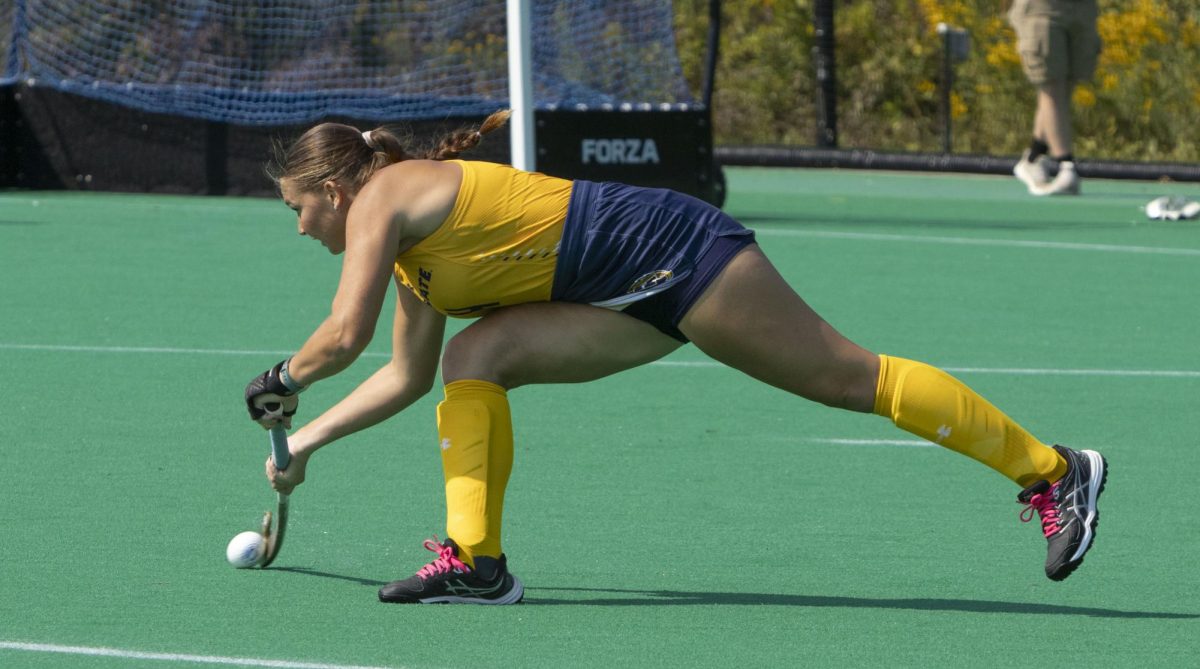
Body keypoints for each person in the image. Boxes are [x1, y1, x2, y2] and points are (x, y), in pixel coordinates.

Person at [244, 110, 1108, 605]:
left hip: (675, 251)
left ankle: (1053, 469)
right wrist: (306, 442)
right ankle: (477, 563)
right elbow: (403, 375)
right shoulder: (412, 260)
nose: (300, 228)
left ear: (332, 189)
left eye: (299, 209)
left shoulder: (386, 195)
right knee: (477, 355)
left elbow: (342, 336)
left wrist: (284, 379)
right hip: (614, 291)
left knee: (848, 377)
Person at [1008, 0, 1101, 196]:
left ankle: (1033, 158)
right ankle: (1066, 165)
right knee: (1052, 87)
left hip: (1081, 9)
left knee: (1066, 87)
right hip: (1041, 9)